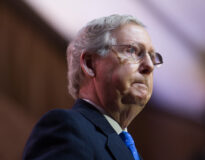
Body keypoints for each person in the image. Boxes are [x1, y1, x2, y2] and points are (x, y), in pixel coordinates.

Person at [23, 14, 163, 160]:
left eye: (152, 57)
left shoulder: (133, 155)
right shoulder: (68, 128)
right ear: (90, 64)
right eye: (132, 50)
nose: (149, 65)